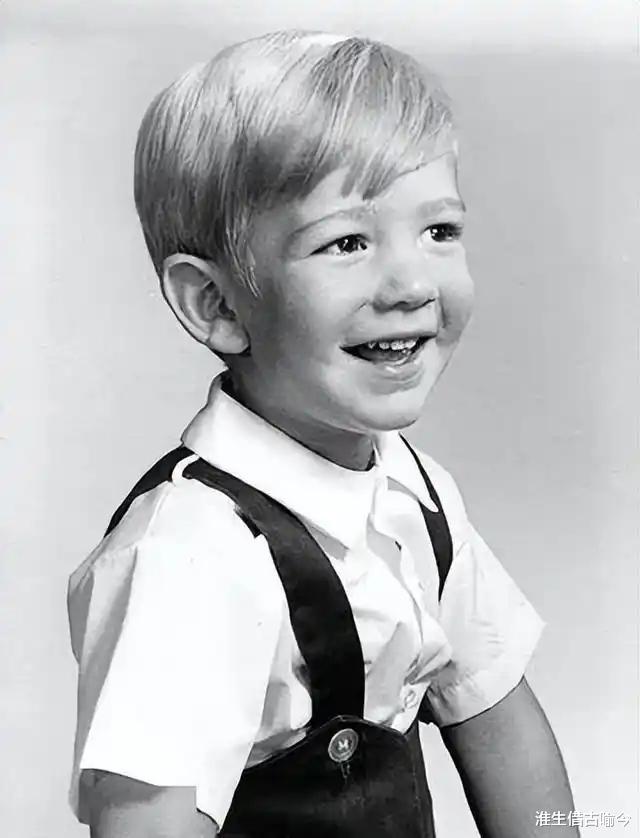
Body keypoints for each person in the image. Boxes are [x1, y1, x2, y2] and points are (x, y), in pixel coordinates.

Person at [67, 30, 579, 838]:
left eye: (439, 231)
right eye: (347, 242)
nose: (412, 284)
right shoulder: (191, 558)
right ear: (216, 305)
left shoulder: (416, 495)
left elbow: (497, 714)